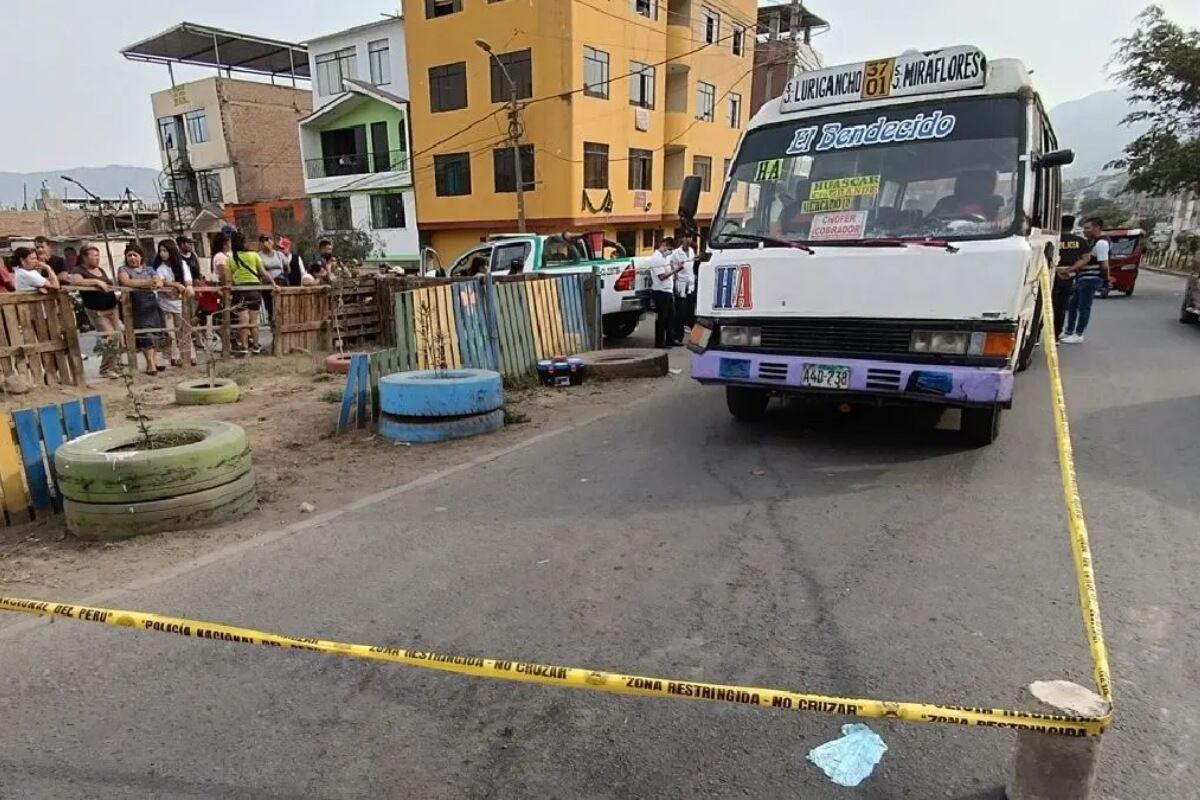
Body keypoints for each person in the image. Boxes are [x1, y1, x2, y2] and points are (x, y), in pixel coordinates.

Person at [70, 245, 121, 377]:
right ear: (84, 257)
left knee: (116, 337)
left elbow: (109, 284)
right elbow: (76, 281)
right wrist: (96, 282)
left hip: (112, 307)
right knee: (110, 336)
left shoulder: (100, 270)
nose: (97, 258)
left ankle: (113, 366)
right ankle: (105, 369)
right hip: (97, 310)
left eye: (98, 256)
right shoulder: (78, 270)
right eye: (94, 256)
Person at [218, 231, 272, 356]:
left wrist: (228, 293)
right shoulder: (254, 255)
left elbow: (228, 280)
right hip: (254, 290)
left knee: (243, 321)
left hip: (240, 291)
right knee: (254, 320)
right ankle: (256, 346)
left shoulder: (230, 260)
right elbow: (263, 272)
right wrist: (274, 284)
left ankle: (244, 346)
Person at [117, 245, 165, 375]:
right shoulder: (123, 269)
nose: (132, 258)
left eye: (135, 255)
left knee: (155, 334)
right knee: (145, 335)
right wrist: (148, 283)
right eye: (129, 255)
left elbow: (159, 282)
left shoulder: (149, 269)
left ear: (141, 256)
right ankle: (150, 364)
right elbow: (126, 282)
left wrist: (155, 282)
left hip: (151, 304)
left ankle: (153, 362)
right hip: (136, 305)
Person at [1061, 217, 1110, 344]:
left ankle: (1079, 333)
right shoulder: (1092, 242)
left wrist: (1106, 281)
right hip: (1083, 278)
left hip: (1091, 278)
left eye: (1088, 228)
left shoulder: (1101, 244)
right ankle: (1069, 331)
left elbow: (1104, 265)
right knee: (1073, 306)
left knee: (1084, 307)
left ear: (1097, 228)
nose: (1085, 231)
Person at [153, 239, 196, 366]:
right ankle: (175, 356)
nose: (162, 253)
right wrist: (175, 284)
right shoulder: (159, 268)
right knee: (170, 331)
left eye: (165, 250)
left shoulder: (182, 264)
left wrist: (187, 286)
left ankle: (189, 354)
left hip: (180, 302)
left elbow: (188, 281)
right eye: (160, 251)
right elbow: (160, 281)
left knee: (183, 329)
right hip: (165, 302)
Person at [1054, 215, 1087, 340]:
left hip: (1052, 276)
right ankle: (1056, 335)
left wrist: (1057, 270)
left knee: (1047, 305)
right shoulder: (1080, 241)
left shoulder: (1054, 239)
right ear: (1072, 225)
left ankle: (1037, 336)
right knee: (1062, 307)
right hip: (1069, 277)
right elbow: (1086, 258)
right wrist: (1070, 269)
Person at [648, 237, 681, 349]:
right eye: (668, 248)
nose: (669, 251)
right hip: (660, 291)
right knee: (662, 318)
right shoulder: (656, 259)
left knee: (671, 316)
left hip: (667, 290)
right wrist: (675, 270)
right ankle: (659, 342)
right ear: (663, 245)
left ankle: (670, 339)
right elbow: (662, 276)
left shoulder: (663, 258)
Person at [671, 235, 697, 344]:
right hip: (681, 285)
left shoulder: (691, 251)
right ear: (682, 239)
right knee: (680, 313)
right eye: (686, 237)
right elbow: (673, 270)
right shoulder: (676, 253)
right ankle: (678, 336)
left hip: (691, 285)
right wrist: (675, 287)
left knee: (691, 313)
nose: (688, 240)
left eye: (690, 238)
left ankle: (696, 337)